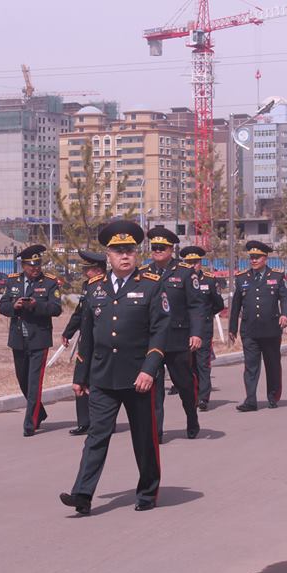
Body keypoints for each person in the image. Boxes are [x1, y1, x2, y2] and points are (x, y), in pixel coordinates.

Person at [60, 220, 170, 515]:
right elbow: (88, 337)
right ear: (107, 255)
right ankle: (82, 493)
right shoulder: (95, 289)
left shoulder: (150, 286)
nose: (124, 256)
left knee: (144, 440)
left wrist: (150, 369)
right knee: (97, 436)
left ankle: (147, 491)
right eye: (118, 251)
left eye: (130, 251)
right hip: (103, 376)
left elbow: (160, 332)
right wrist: (80, 376)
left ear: (136, 254)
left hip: (139, 378)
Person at [142, 226, 202, 441]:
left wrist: (196, 333)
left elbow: (196, 306)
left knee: (184, 384)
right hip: (152, 341)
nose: (157, 250)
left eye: (162, 247)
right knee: (154, 389)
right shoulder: (143, 274)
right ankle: (156, 431)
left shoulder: (185, 272)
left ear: (171, 249)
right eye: (154, 247)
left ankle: (192, 416)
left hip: (178, 339)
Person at [0, 245, 63, 437]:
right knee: (23, 380)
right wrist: (14, 306)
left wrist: (36, 305)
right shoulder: (13, 282)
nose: (35, 268)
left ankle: (30, 422)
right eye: (31, 265)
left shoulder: (50, 282)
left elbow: (56, 308)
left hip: (39, 339)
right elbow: (2, 306)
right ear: (23, 265)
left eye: (38, 264)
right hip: (18, 339)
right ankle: (39, 412)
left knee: (34, 382)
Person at [228, 241, 287, 412]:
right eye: (251, 257)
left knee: (272, 365)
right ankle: (250, 400)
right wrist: (232, 328)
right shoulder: (242, 278)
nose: (253, 260)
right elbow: (235, 306)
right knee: (250, 366)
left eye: (257, 257)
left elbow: (285, 297)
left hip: (270, 330)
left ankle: (272, 396)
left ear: (265, 258)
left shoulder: (277, 276)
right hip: (250, 330)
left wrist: (285, 314)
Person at [61, 249, 107, 436]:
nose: (85, 273)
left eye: (87, 269)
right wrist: (68, 332)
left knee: (100, 382)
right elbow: (81, 312)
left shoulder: (109, 285)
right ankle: (84, 422)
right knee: (81, 378)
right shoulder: (88, 286)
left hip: (103, 340)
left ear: (98, 270)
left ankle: (102, 421)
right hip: (86, 341)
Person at [179, 245, 225, 412]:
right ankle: (192, 395)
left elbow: (219, 304)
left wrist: (206, 316)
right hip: (184, 329)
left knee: (202, 364)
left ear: (200, 262)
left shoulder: (209, 280)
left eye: (195, 262)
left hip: (203, 330)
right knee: (187, 365)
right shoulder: (180, 280)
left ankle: (203, 398)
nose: (192, 265)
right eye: (189, 262)